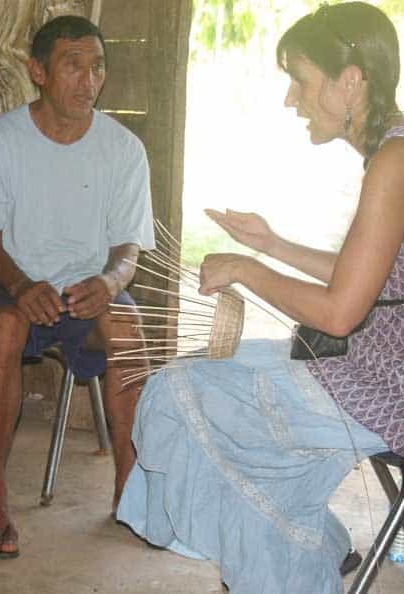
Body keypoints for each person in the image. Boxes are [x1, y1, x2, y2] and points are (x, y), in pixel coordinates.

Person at [116, 3, 404, 592]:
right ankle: (311, 548)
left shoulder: (396, 160)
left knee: (180, 394)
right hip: (371, 366)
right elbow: (371, 273)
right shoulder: (392, 153)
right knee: (198, 385)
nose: (290, 99)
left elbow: (343, 311)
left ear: (350, 82)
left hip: (386, 386)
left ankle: (305, 555)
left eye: (299, 79)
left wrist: (248, 268)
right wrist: (272, 243)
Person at [0, 15, 155, 558]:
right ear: (38, 71)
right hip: (6, 279)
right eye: (74, 66)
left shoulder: (123, 149)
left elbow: (128, 250)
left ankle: (129, 489)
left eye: (97, 67)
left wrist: (111, 283)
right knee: (5, 322)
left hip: (86, 287)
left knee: (128, 324)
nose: (87, 80)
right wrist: (22, 286)